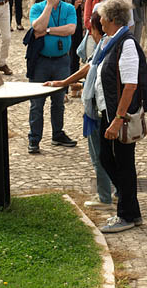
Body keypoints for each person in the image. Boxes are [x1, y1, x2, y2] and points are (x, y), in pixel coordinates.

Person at [96, 0, 147, 233]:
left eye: (101, 16)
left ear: (111, 19)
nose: (99, 20)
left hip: (120, 116)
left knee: (122, 163)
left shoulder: (127, 44)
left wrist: (118, 118)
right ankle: (131, 209)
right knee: (109, 158)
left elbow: (130, 85)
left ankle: (127, 213)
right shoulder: (112, 41)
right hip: (110, 112)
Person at [45, 11, 114, 209]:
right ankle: (115, 191)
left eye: (91, 29)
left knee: (98, 154)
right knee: (109, 154)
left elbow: (93, 73)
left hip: (96, 109)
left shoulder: (106, 46)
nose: (90, 33)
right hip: (102, 107)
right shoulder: (109, 44)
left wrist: (72, 84)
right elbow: (88, 68)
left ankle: (104, 197)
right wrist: (65, 82)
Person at [27, 0, 78, 153]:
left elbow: (70, 29)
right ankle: (34, 139)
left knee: (58, 101)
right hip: (40, 61)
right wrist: (49, 6)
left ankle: (58, 134)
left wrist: (48, 30)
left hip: (62, 61)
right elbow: (36, 27)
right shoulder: (37, 7)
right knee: (36, 103)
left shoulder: (69, 9)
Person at [63, 0, 87, 74]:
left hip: (79, 24)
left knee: (76, 54)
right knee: (68, 54)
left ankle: (74, 81)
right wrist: (74, 6)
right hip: (66, 24)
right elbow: (60, 9)